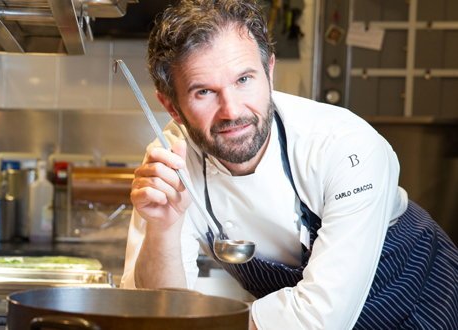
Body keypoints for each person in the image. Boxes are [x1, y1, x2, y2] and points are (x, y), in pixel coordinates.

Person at [120, 0, 458, 329]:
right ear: (172, 106)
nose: (232, 110)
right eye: (204, 92)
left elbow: (320, 318)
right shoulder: (171, 160)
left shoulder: (344, 146)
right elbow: (154, 312)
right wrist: (163, 229)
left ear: (269, 72)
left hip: (422, 305)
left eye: (244, 80)